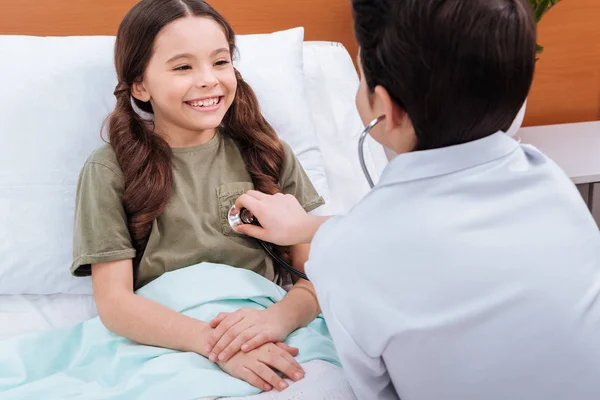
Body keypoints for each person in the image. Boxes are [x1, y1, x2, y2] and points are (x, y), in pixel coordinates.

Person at [227, 0, 600, 399]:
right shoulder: (549, 180)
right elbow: (444, 240)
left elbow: (380, 391)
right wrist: (307, 228)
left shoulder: (344, 258)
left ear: (384, 108)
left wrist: (326, 237)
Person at [70, 0, 348, 394]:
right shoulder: (110, 169)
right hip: (168, 338)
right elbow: (115, 304)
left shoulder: (268, 154)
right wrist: (218, 346)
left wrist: (277, 321)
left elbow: (314, 277)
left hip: (267, 330)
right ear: (140, 85)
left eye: (220, 62)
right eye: (183, 67)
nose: (208, 80)